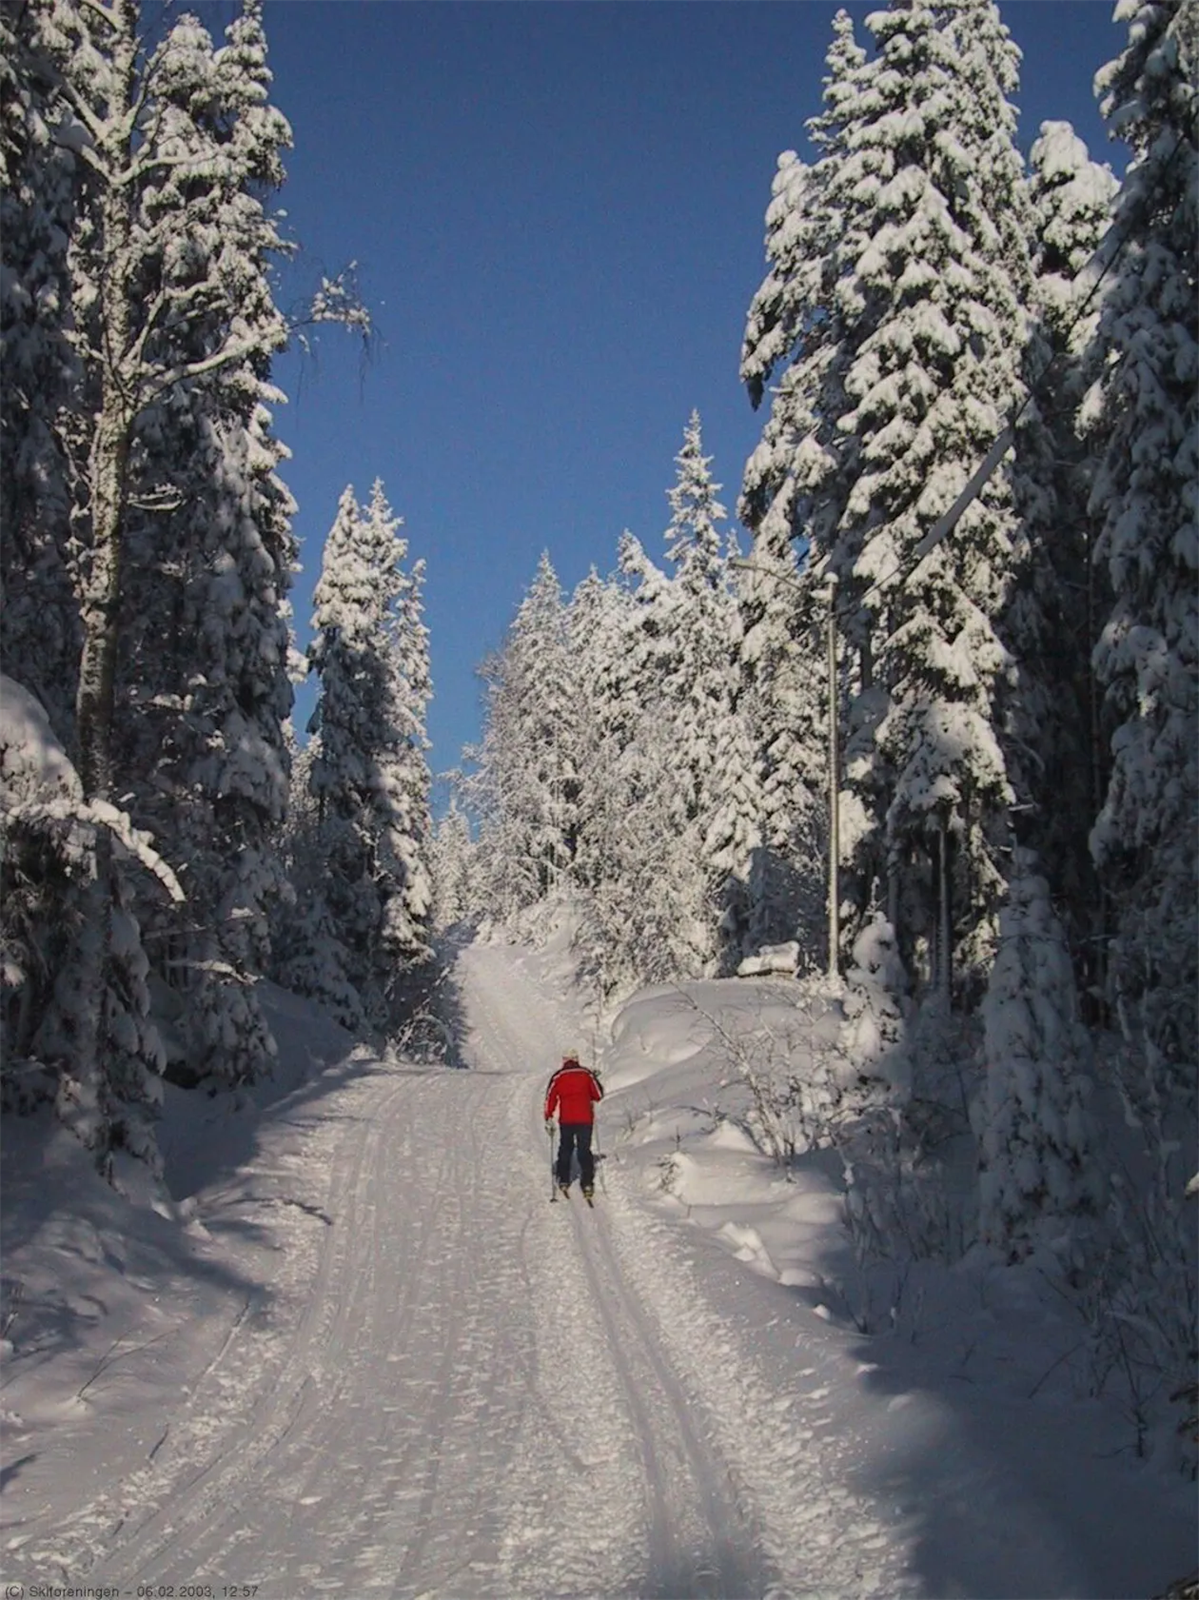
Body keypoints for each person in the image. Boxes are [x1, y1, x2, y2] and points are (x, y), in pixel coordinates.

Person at [544, 1049, 603, 1198]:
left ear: (564, 1060)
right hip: (585, 1119)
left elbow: (550, 1098)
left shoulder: (558, 1076)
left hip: (567, 1120)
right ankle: (587, 1182)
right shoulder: (586, 1074)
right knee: (584, 1150)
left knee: (566, 1148)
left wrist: (548, 1116)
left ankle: (564, 1179)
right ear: (577, 1059)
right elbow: (598, 1095)